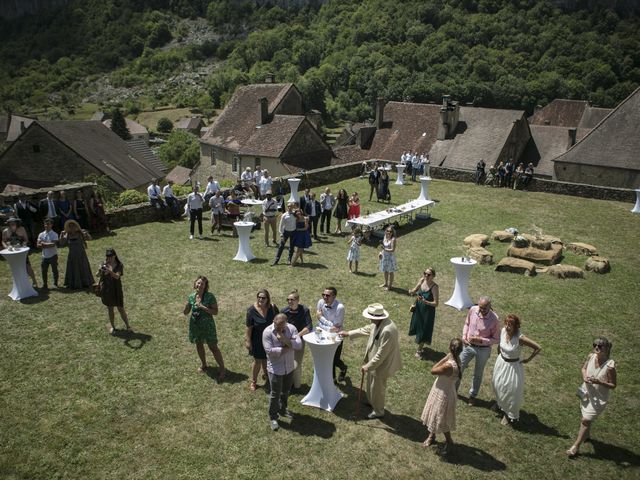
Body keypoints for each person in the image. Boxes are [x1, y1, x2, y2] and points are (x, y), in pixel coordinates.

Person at [339, 303, 402, 419]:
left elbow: (381, 355)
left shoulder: (387, 330)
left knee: (377, 388)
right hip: (374, 362)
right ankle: (372, 401)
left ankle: (378, 411)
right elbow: (367, 329)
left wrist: (368, 365)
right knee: (371, 384)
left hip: (383, 364)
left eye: (370, 317)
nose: (369, 319)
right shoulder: (377, 322)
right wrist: (348, 333)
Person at [566, 337, 617, 458]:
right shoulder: (591, 356)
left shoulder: (610, 366)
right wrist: (584, 376)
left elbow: (613, 385)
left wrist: (599, 382)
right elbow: (583, 368)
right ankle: (586, 435)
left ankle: (576, 447)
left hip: (599, 399)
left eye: (600, 346)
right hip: (587, 392)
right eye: (595, 345)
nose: (596, 348)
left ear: (606, 348)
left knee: (585, 420)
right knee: (585, 417)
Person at [491, 314, 541, 425]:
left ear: (516, 326)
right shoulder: (503, 331)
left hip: (513, 367)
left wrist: (528, 360)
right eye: (506, 324)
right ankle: (500, 404)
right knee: (497, 384)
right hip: (501, 363)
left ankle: (508, 414)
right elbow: (500, 344)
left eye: (511, 325)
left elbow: (538, 347)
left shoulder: (520, 338)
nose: (507, 326)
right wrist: (500, 355)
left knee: (511, 391)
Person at [420, 338, 463, 455]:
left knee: (441, 419)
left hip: (443, 393)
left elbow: (433, 370)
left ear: (450, 348)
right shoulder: (458, 360)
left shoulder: (449, 365)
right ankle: (431, 436)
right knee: (435, 414)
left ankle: (449, 441)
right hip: (444, 390)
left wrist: (445, 358)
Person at [457, 296, 500, 405]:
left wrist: (481, 340)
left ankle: (472, 395)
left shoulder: (494, 319)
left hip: (483, 350)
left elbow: (496, 339)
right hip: (469, 346)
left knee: (478, 374)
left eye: (484, 308)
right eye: (480, 307)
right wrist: (464, 336)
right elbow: (467, 323)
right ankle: (453, 390)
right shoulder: (473, 309)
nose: (481, 310)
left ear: (490, 306)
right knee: (458, 368)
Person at [263, 313, 302, 430]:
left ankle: (283, 409)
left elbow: (299, 345)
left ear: (286, 323)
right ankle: (273, 417)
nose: (279, 328)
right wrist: (288, 347)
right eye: (277, 325)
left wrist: (285, 339)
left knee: (285, 391)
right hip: (275, 369)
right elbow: (270, 352)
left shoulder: (292, 329)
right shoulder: (267, 332)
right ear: (273, 321)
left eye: (282, 326)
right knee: (275, 394)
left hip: (289, 367)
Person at [183, 276, 225, 380]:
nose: (200, 285)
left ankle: (222, 369)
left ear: (205, 286)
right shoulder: (191, 296)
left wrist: (203, 307)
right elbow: (186, 312)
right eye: (198, 283)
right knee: (199, 344)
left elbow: (215, 312)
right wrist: (186, 307)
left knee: (213, 347)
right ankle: (204, 364)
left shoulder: (210, 297)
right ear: (195, 284)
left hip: (208, 326)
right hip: (195, 325)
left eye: (202, 284)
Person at [245, 289, 279, 391]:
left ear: (267, 299)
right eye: (259, 297)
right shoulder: (251, 310)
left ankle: (267, 376)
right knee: (257, 361)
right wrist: (248, 341)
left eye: (263, 297)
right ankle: (254, 381)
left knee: (267, 358)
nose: (260, 299)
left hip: (270, 339)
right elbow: (249, 327)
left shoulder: (272, 308)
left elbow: (279, 320)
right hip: (257, 339)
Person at [281, 290, 312, 393]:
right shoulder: (284, 311)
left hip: (299, 341)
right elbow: (279, 325)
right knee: (286, 363)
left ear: (298, 300)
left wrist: (297, 336)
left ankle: (297, 386)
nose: (290, 301)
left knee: (296, 364)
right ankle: (288, 385)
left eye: (292, 299)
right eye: (288, 300)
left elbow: (308, 327)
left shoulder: (305, 310)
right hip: (286, 341)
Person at [316, 287, 348, 382]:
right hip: (322, 334)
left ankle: (343, 368)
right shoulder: (320, 302)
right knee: (327, 359)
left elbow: (335, 328)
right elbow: (321, 322)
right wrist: (329, 327)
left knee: (334, 359)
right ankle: (332, 380)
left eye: (328, 295)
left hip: (336, 336)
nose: (324, 297)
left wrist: (321, 318)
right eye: (323, 295)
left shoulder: (340, 308)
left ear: (334, 296)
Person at [97, 248, 131, 334]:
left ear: (115, 256)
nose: (109, 258)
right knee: (110, 309)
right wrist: (100, 270)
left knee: (120, 308)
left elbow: (117, 276)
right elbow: (97, 275)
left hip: (116, 289)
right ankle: (112, 327)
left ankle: (128, 326)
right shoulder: (104, 264)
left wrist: (110, 271)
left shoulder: (119, 265)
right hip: (107, 290)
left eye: (111, 256)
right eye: (108, 257)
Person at [408, 267, 440, 357]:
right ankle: (419, 342)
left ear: (433, 276)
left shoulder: (434, 287)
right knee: (418, 325)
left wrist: (426, 302)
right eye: (425, 273)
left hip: (428, 312)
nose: (426, 275)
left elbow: (436, 303)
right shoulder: (422, 280)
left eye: (428, 274)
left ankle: (419, 350)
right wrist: (412, 292)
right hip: (418, 308)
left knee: (424, 329)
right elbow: (415, 290)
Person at [2, 217, 38, 286]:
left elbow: (26, 239)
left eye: (13, 223)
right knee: (15, 267)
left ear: (16, 223)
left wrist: (23, 244)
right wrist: (7, 247)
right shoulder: (5, 231)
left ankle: (34, 281)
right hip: (11, 252)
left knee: (27, 265)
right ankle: (19, 284)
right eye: (10, 223)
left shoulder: (21, 229)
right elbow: (3, 241)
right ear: (8, 224)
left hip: (21, 251)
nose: (12, 224)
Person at [60, 219, 93, 289]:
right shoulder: (67, 235)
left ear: (76, 226)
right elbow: (62, 243)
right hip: (72, 255)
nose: (72, 228)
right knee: (73, 268)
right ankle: (73, 284)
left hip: (81, 254)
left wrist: (86, 234)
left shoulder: (80, 233)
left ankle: (85, 282)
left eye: (73, 226)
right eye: (70, 226)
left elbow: (90, 239)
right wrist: (61, 236)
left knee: (83, 267)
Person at [271, 201, 297, 266]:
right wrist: (281, 234)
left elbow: (300, 219)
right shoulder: (284, 215)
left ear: (293, 207)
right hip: (286, 232)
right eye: (288, 206)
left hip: (293, 232)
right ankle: (276, 260)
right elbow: (281, 226)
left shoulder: (295, 214)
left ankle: (289, 259)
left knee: (292, 246)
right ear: (287, 207)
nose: (289, 207)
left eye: (291, 206)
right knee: (281, 246)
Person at [36, 218, 59, 289]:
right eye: (45, 224)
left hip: (53, 255)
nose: (46, 225)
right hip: (44, 256)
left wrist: (42, 244)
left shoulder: (54, 234)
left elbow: (53, 245)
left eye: (48, 224)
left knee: (54, 270)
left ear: (52, 225)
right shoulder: (41, 234)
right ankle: (45, 285)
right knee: (44, 271)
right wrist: (47, 245)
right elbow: (37, 245)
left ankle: (55, 284)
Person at [379, 226, 397, 290]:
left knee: (390, 272)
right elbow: (383, 247)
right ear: (386, 231)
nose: (389, 232)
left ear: (392, 232)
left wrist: (385, 249)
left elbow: (393, 249)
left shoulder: (393, 239)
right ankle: (385, 283)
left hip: (390, 258)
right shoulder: (385, 237)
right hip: (384, 256)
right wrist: (380, 253)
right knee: (385, 270)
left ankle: (389, 286)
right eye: (388, 231)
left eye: (390, 231)